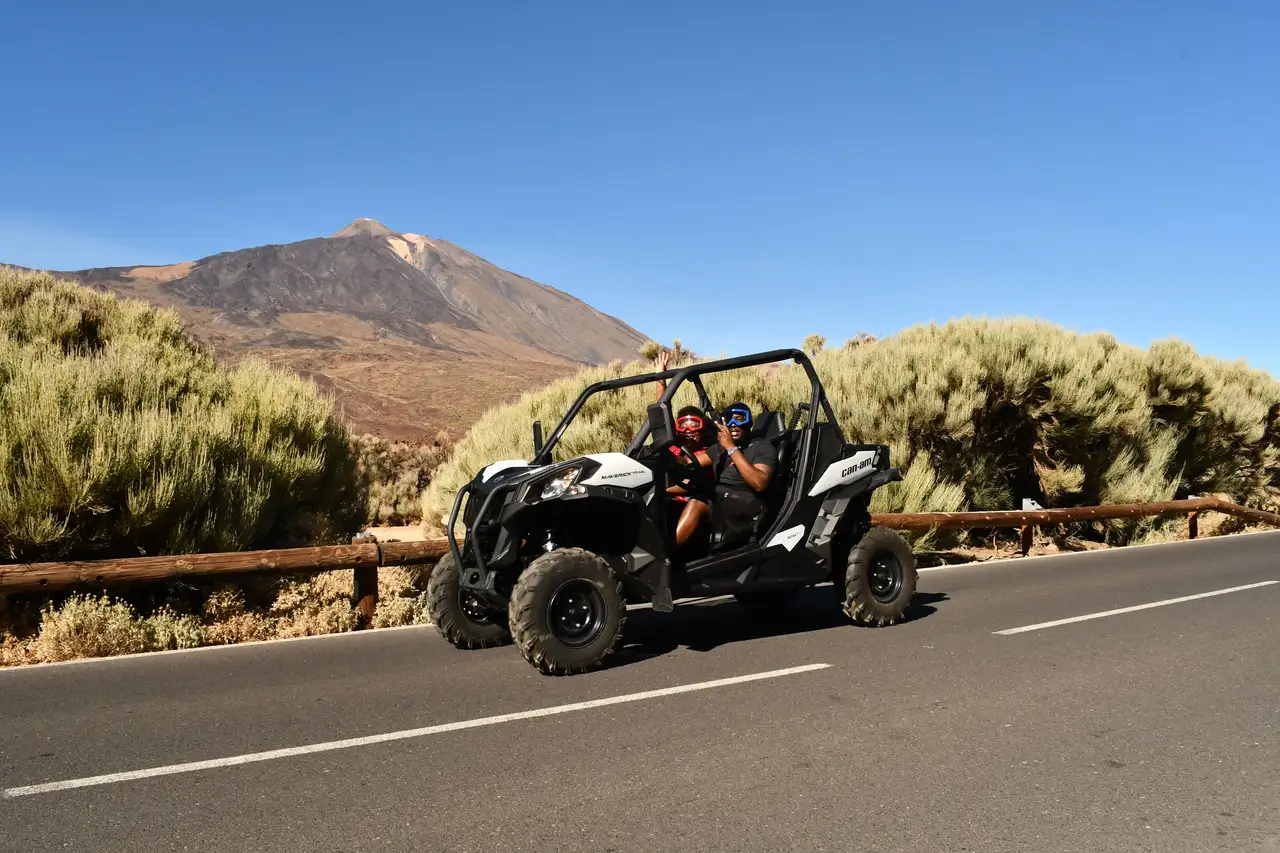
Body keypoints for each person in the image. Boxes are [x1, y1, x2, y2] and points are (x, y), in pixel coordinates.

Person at [670, 401, 776, 553]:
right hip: (718, 500)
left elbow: (759, 483)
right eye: (728, 419)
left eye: (739, 418)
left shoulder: (762, 448)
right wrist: (671, 458)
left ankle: (665, 559)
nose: (733, 424)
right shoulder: (719, 449)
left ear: (749, 422)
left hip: (744, 505)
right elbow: (692, 463)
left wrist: (731, 448)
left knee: (697, 503)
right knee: (667, 501)